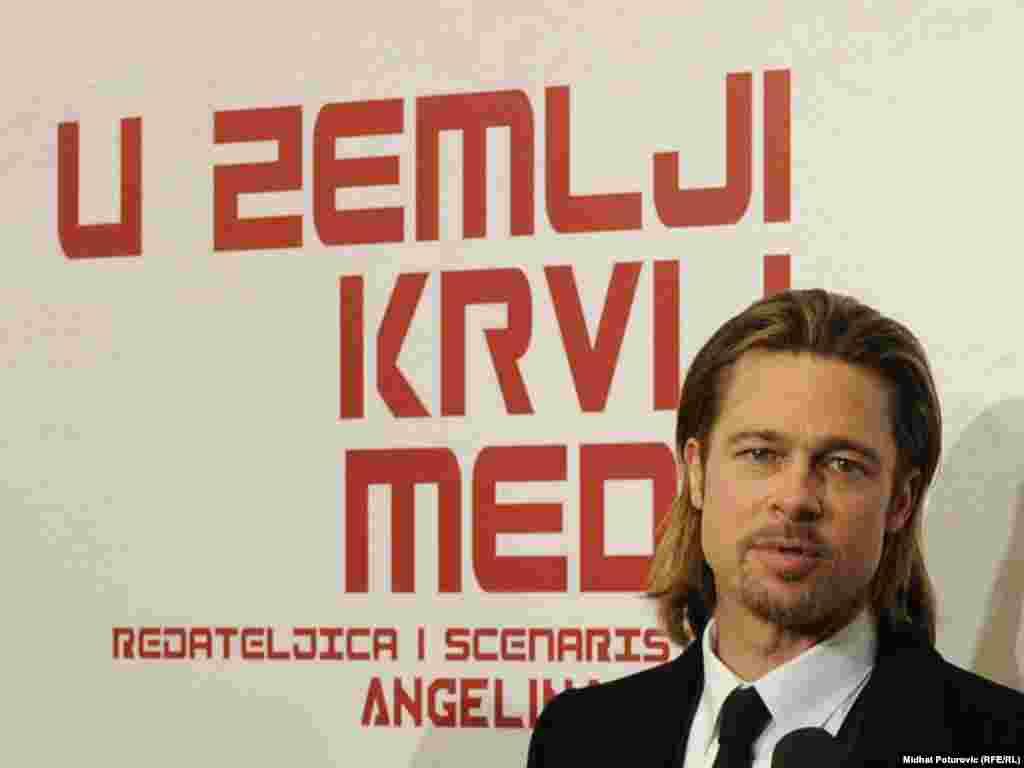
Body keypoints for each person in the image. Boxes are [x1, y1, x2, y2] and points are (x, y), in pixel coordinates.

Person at [526, 289, 1024, 766]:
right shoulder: (578, 737)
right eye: (761, 454)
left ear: (900, 501)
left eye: (843, 464)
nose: (795, 498)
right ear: (696, 474)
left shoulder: (1001, 743)